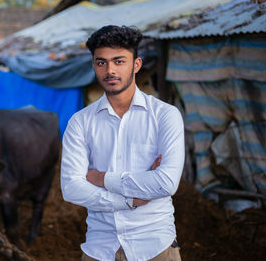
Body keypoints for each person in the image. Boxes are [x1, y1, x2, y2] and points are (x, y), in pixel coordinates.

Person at [60, 25, 185, 261]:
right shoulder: (80, 122)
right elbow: (71, 188)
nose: (109, 71)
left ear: (136, 65)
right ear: (94, 66)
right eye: (101, 63)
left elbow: (167, 183)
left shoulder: (165, 116)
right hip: (100, 247)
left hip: (155, 246)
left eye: (119, 61)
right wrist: (128, 200)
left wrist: (101, 178)